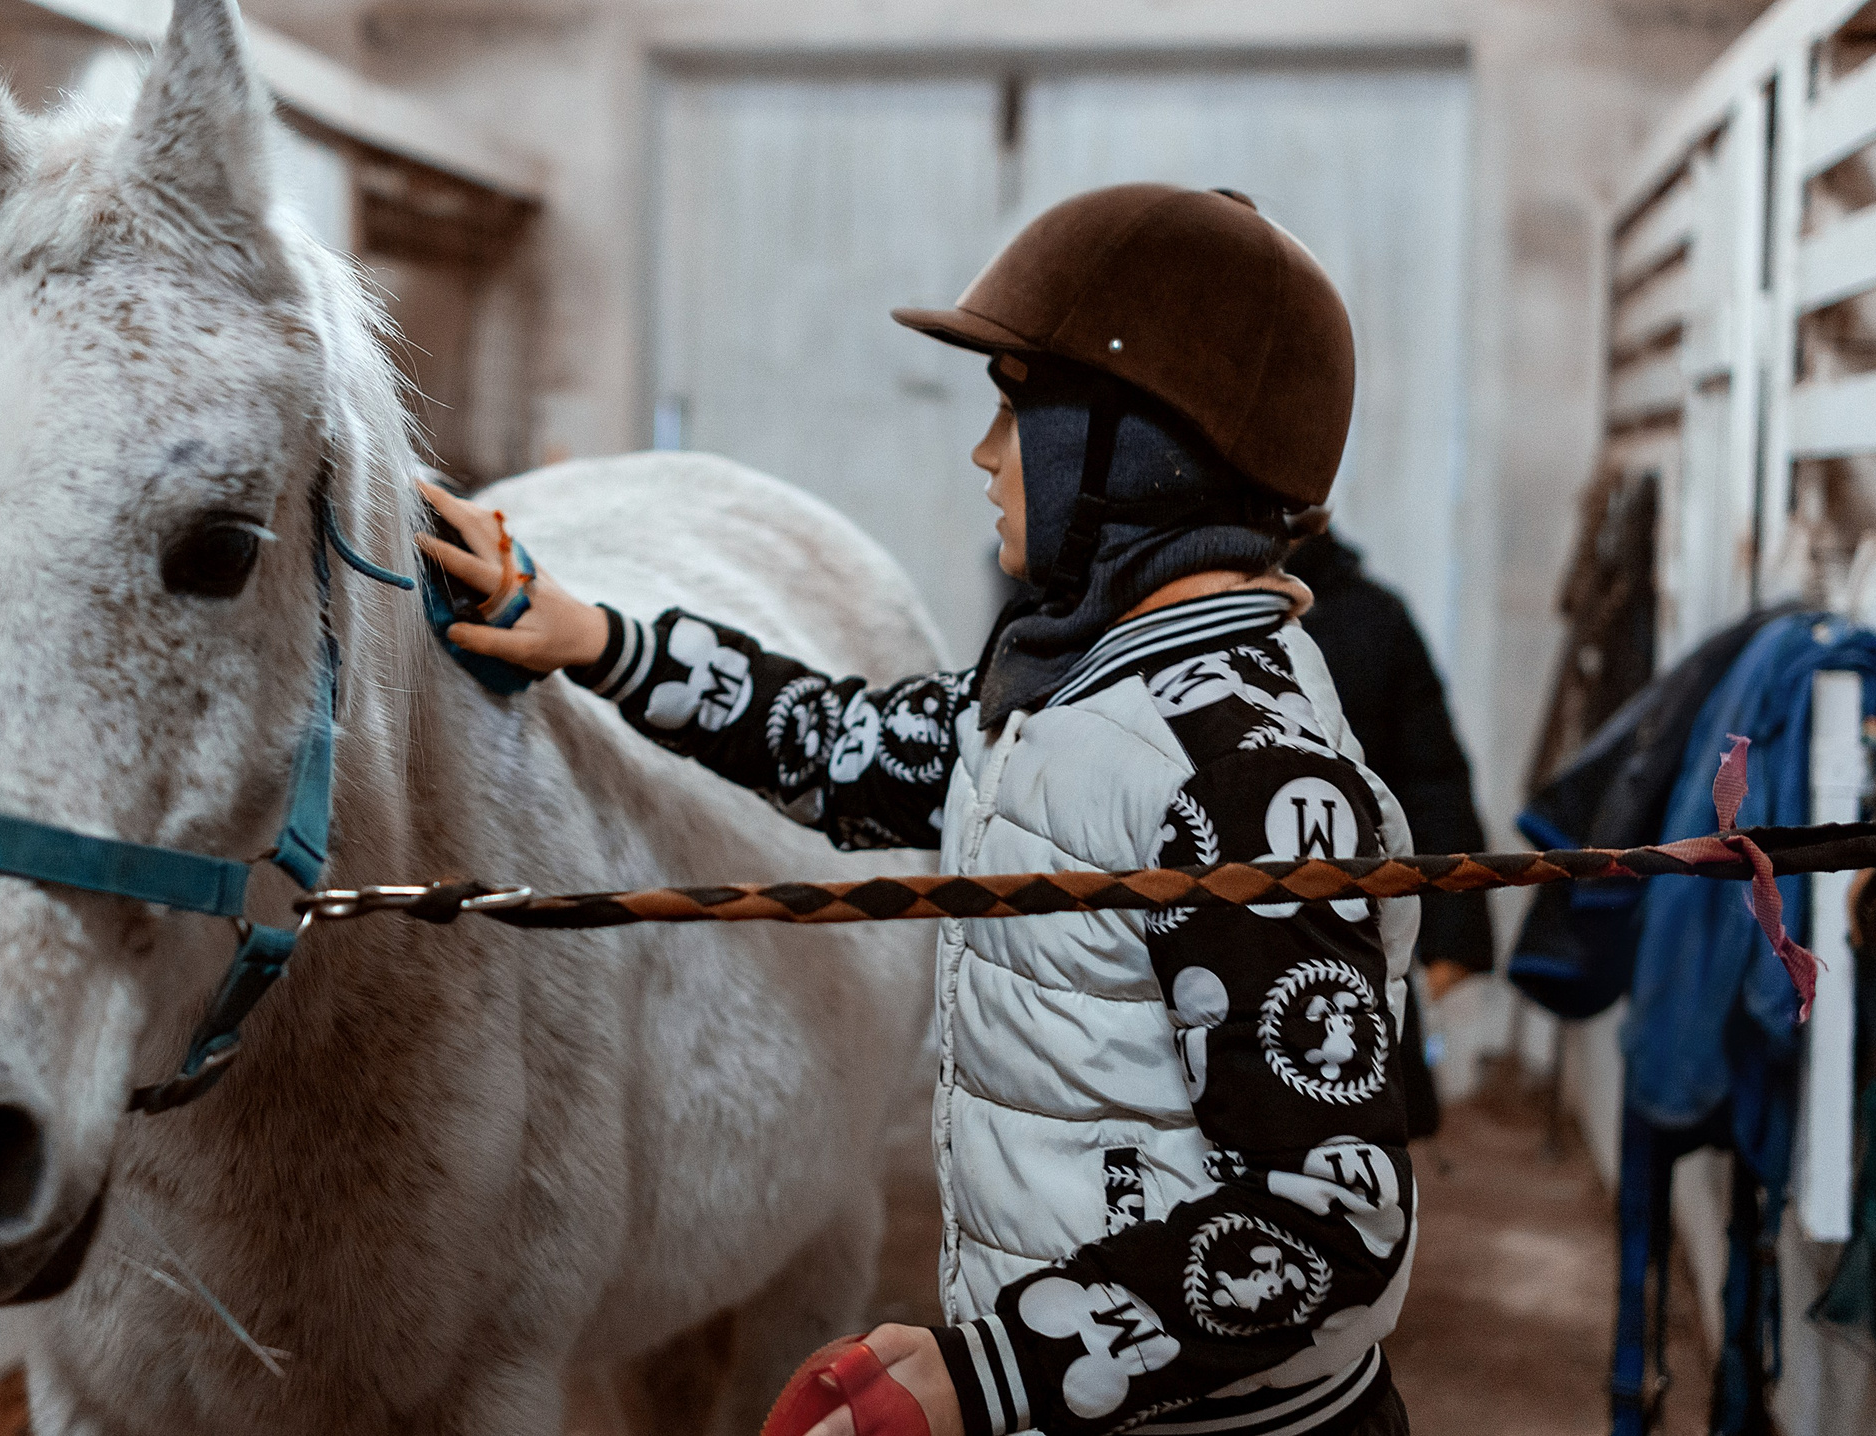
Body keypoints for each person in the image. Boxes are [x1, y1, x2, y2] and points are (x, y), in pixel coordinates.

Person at [427, 184, 1415, 1436]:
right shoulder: (1066, 698)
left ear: (1143, 449)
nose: (984, 451)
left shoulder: (1245, 774)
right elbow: (836, 745)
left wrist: (992, 1370)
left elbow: (1331, 1220)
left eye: (1017, 406)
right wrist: (602, 639)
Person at [1287, 526, 1497, 1141]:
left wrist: (1455, 932)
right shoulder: (1180, 619)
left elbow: (1429, 775)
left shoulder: (1372, 620)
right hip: (1224, 925)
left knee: (1359, 1142)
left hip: (1352, 932)